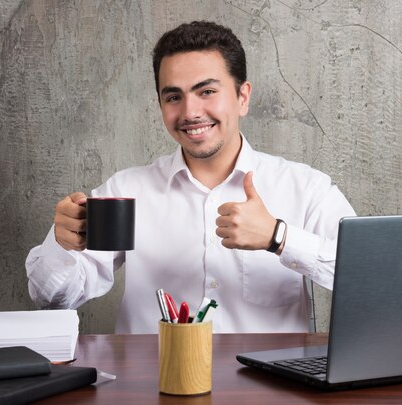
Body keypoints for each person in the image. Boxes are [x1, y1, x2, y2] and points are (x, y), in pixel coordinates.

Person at [26, 21, 356, 334]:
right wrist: (61, 244)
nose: (190, 112)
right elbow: (52, 298)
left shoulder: (306, 188)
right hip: (152, 383)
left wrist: (279, 237)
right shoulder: (126, 191)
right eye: (173, 97)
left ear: (243, 97)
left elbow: (371, 278)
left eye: (207, 91)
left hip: (270, 387)